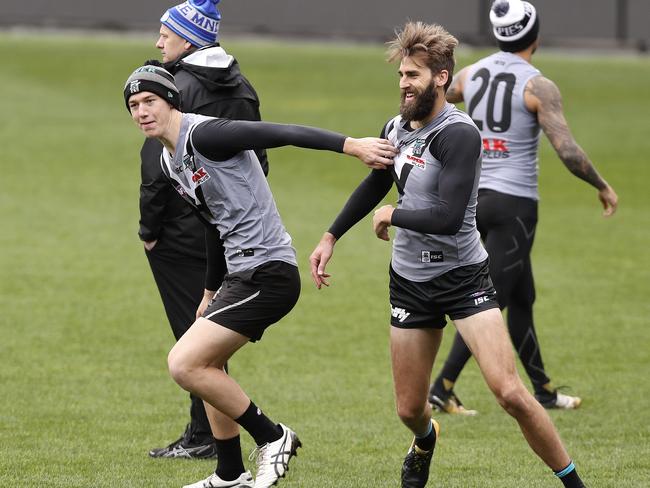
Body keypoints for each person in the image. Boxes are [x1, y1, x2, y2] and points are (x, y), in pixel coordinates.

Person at [309, 21, 587, 488]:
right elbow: (378, 180)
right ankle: (425, 438)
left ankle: (574, 483)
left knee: (510, 393)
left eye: (413, 75)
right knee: (408, 409)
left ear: (441, 77)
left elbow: (448, 215)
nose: (403, 84)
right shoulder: (395, 127)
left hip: (463, 277)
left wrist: (392, 217)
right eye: (401, 75)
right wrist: (331, 235)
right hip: (410, 282)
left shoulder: (459, 134)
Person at [124, 63, 397, 488]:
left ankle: (273, 436)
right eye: (134, 105)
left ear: (172, 102)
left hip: (268, 273)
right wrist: (209, 291)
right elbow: (213, 223)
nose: (141, 111)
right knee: (207, 362)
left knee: (184, 363)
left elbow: (282, 132)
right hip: (240, 275)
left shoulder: (206, 134)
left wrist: (353, 146)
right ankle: (230, 473)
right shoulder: (168, 158)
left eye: (150, 101)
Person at [428, 0, 619, 416]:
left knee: (521, 294)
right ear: (535, 35)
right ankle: (441, 389)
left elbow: (436, 99)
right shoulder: (538, 86)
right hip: (515, 206)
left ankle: (544, 389)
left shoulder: (470, 75)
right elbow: (567, 151)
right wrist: (601, 184)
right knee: (487, 299)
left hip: (473, 200)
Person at [140, 0, 270, 459]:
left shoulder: (173, 87)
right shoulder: (241, 84)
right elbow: (261, 159)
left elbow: (156, 168)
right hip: (230, 231)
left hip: (180, 231)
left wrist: (149, 228)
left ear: (189, 37)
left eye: (166, 33)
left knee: (193, 340)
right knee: (208, 337)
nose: (158, 42)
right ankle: (214, 440)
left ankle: (208, 440)